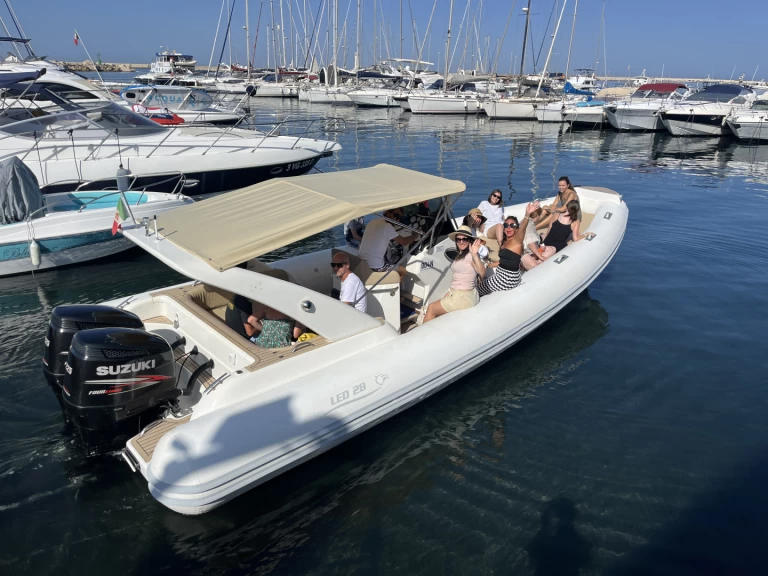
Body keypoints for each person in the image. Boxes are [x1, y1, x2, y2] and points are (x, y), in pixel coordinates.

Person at [423, 226, 486, 323]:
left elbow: (481, 272)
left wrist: (474, 255)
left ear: (469, 240)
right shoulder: (460, 255)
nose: (461, 242)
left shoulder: (471, 255)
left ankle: (424, 336)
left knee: (431, 308)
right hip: (460, 294)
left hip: (463, 296)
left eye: (464, 239)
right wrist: (447, 295)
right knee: (438, 304)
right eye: (458, 239)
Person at [478, 203, 538, 296]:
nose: (508, 227)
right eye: (506, 225)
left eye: (512, 225)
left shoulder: (517, 241)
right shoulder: (504, 242)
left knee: (477, 289)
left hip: (506, 279)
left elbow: (523, 229)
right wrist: (490, 264)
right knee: (481, 276)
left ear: (516, 229)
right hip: (505, 276)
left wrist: (527, 214)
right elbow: (505, 260)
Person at [357, 208, 419, 277]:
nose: (397, 219)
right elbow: (403, 242)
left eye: (398, 217)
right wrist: (415, 235)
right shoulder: (387, 227)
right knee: (402, 270)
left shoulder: (372, 222)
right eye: (396, 216)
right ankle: (397, 286)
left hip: (362, 262)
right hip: (375, 266)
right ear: (387, 212)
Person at [521, 204, 547, 270]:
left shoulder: (525, 221)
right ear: (537, 216)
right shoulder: (529, 225)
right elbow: (530, 243)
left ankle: (536, 259)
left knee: (544, 238)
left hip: (530, 250)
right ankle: (537, 261)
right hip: (525, 252)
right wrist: (540, 256)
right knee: (551, 249)